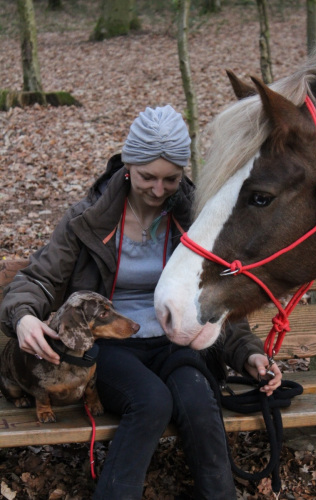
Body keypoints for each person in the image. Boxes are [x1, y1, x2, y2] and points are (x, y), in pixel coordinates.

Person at [0, 105, 282, 500]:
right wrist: (24, 317)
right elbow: (38, 278)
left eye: (171, 178)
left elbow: (217, 296)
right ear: (128, 165)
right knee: (150, 402)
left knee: (199, 402)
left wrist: (248, 355)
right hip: (108, 347)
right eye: (148, 176)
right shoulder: (88, 220)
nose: (158, 189)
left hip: (174, 341)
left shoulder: (198, 217)